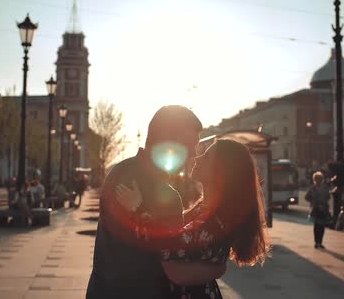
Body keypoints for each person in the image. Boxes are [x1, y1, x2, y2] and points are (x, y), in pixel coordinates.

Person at [86, 105, 225, 298]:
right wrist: (216, 269)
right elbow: (176, 265)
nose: (195, 153)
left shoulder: (120, 171)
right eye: (191, 145)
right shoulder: (167, 197)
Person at [114, 139, 270, 298]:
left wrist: (137, 208)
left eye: (206, 157)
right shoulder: (203, 209)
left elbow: (168, 247)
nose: (197, 157)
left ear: (222, 172)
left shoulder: (217, 222)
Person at [305, 171, 331, 249]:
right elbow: (306, 197)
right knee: (316, 227)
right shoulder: (312, 188)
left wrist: (323, 202)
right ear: (315, 179)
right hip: (315, 209)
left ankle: (320, 242)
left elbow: (328, 197)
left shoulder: (325, 188)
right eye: (317, 179)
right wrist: (313, 201)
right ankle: (317, 242)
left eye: (320, 178)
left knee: (322, 226)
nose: (319, 180)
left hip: (323, 208)